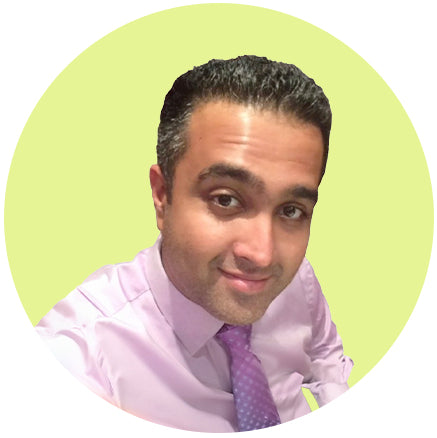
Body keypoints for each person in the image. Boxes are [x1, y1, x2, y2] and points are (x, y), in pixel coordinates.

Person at [36, 56, 353, 433]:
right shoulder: (79, 356)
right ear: (162, 195)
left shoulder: (297, 279)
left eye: (291, 210)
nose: (263, 255)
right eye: (226, 199)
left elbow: (325, 355)